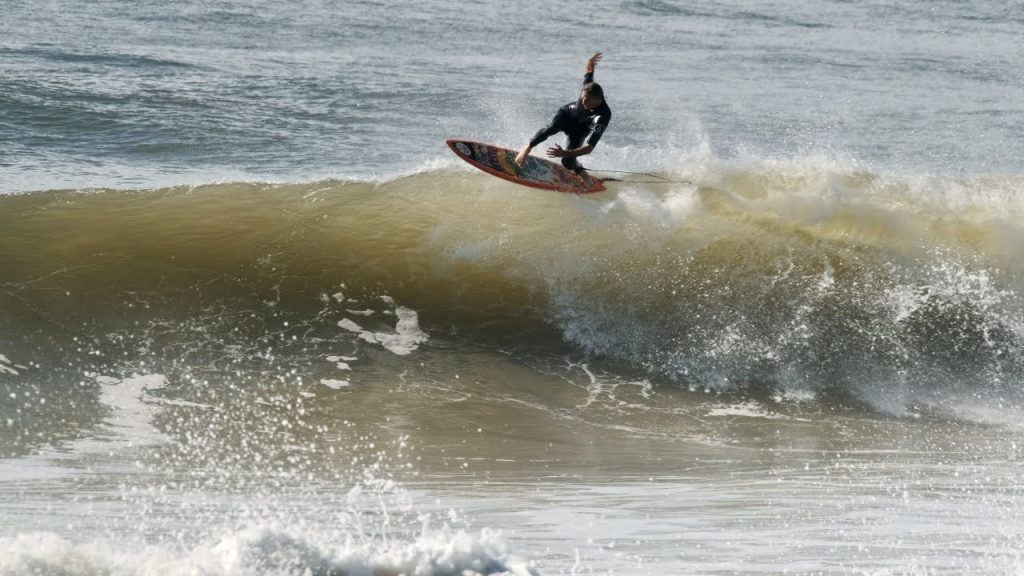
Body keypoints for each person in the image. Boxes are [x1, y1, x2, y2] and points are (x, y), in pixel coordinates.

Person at [515, 52, 611, 187]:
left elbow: (589, 148)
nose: (583, 102)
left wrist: (564, 153)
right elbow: (589, 72)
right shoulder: (589, 86)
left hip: (579, 131)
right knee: (551, 128)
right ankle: (527, 148)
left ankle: (581, 172)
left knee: (567, 162)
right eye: (582, 98)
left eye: (587, 100)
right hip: (567, 114)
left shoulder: (603, 115)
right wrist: (590, 61)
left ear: (597, 100)